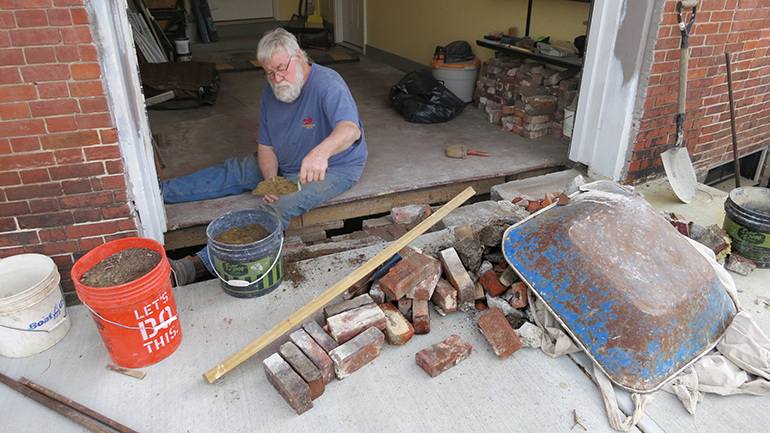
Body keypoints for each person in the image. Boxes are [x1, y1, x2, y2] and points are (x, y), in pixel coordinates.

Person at [164, 28, 367, 285]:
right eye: (270, 72)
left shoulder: (327, 84)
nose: (277, 78)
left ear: (298, 56)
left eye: (282, 68)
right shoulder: (271, 91)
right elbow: (266, 146)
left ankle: (196, 266)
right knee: (232, 172)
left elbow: (350, 129)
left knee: (277, 206)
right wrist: (271, 178)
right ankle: (159, 193)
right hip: (285, 160)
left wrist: (320, 153)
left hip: (333, 167)